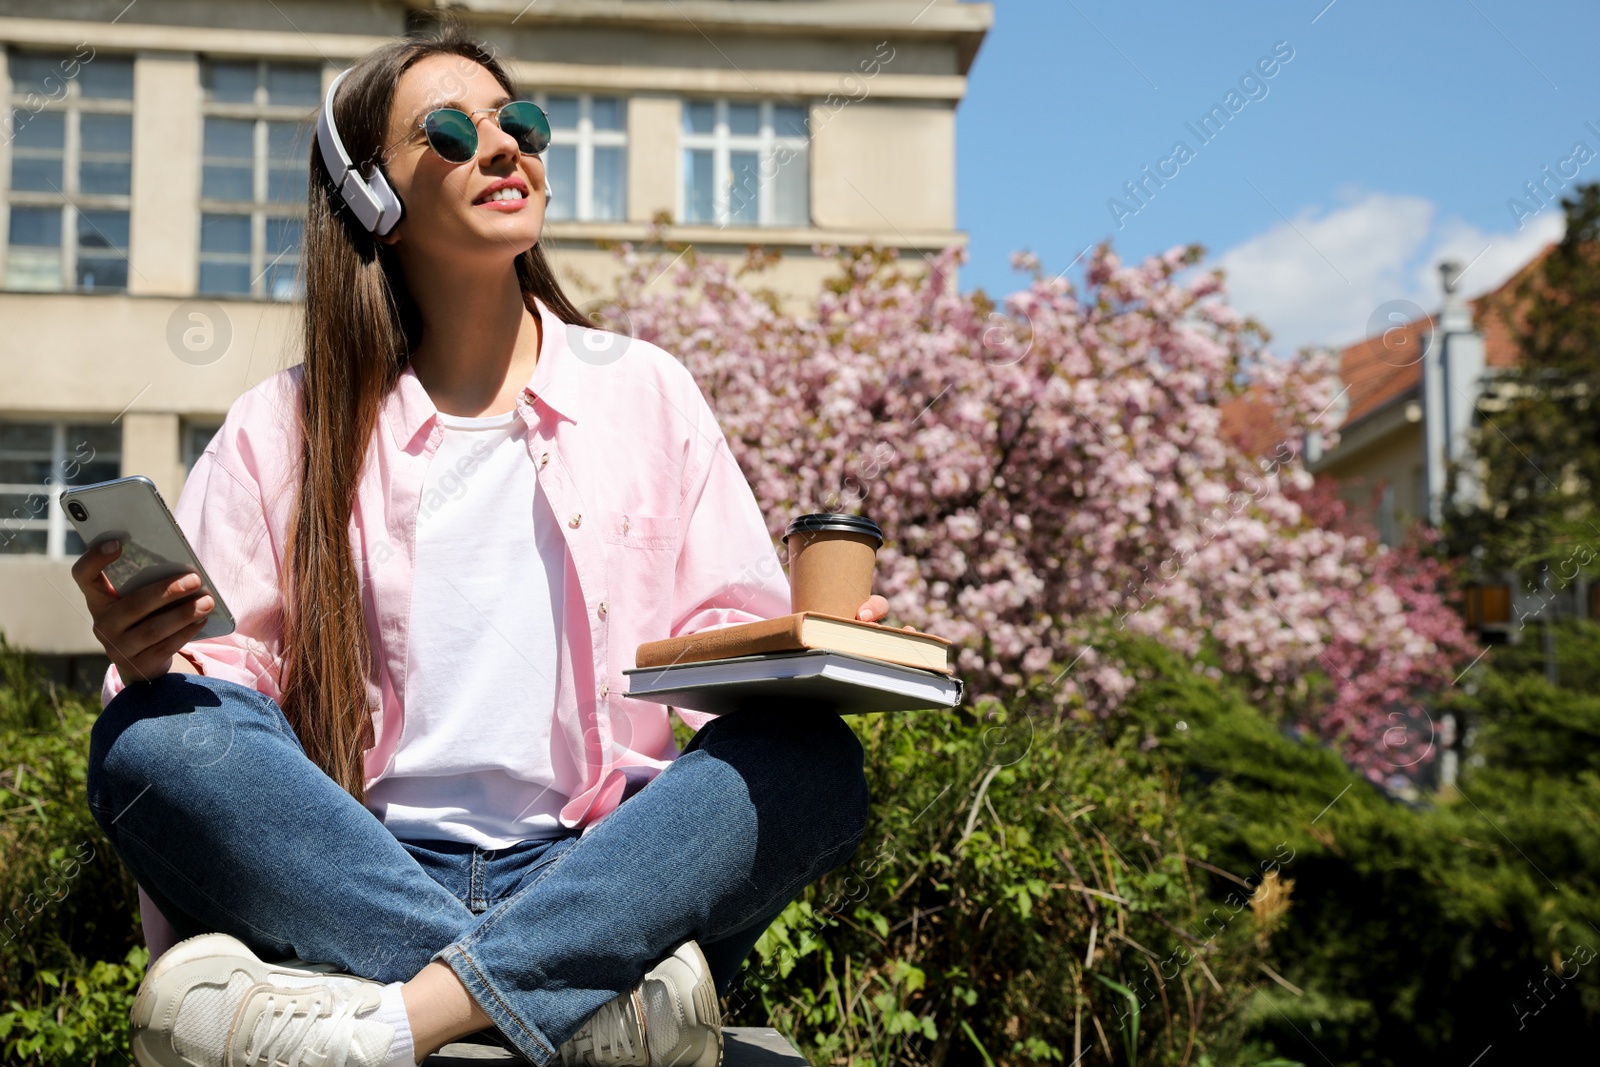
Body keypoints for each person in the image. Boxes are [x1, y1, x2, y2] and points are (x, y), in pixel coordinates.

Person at [80, 23, 889, 1067]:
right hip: (356, 863)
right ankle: (587, 1005)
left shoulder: (642, 391)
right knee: (150, 739)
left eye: (522, 122)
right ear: (373, 199)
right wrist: (153, 654)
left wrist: (812, 652)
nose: (504, 146)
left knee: (811, 759)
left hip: (601, 862)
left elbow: (720, 650)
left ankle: (393, 1018)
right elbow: (225, 676)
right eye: (451, 133)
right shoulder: (283, 426)